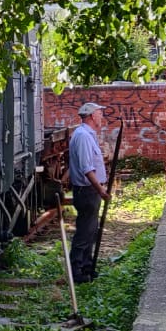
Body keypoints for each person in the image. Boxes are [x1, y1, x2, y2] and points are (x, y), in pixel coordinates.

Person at [68, 102, 109, 283]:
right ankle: (76, 271)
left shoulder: (87, 134)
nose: (102, 117)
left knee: (90, 230)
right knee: (85, 232)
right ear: (92, 116)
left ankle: (86, 267)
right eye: (100, 113)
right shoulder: (83, 136)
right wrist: (101, 190)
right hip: (87, 191)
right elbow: (87, 168)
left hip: (89, 191)